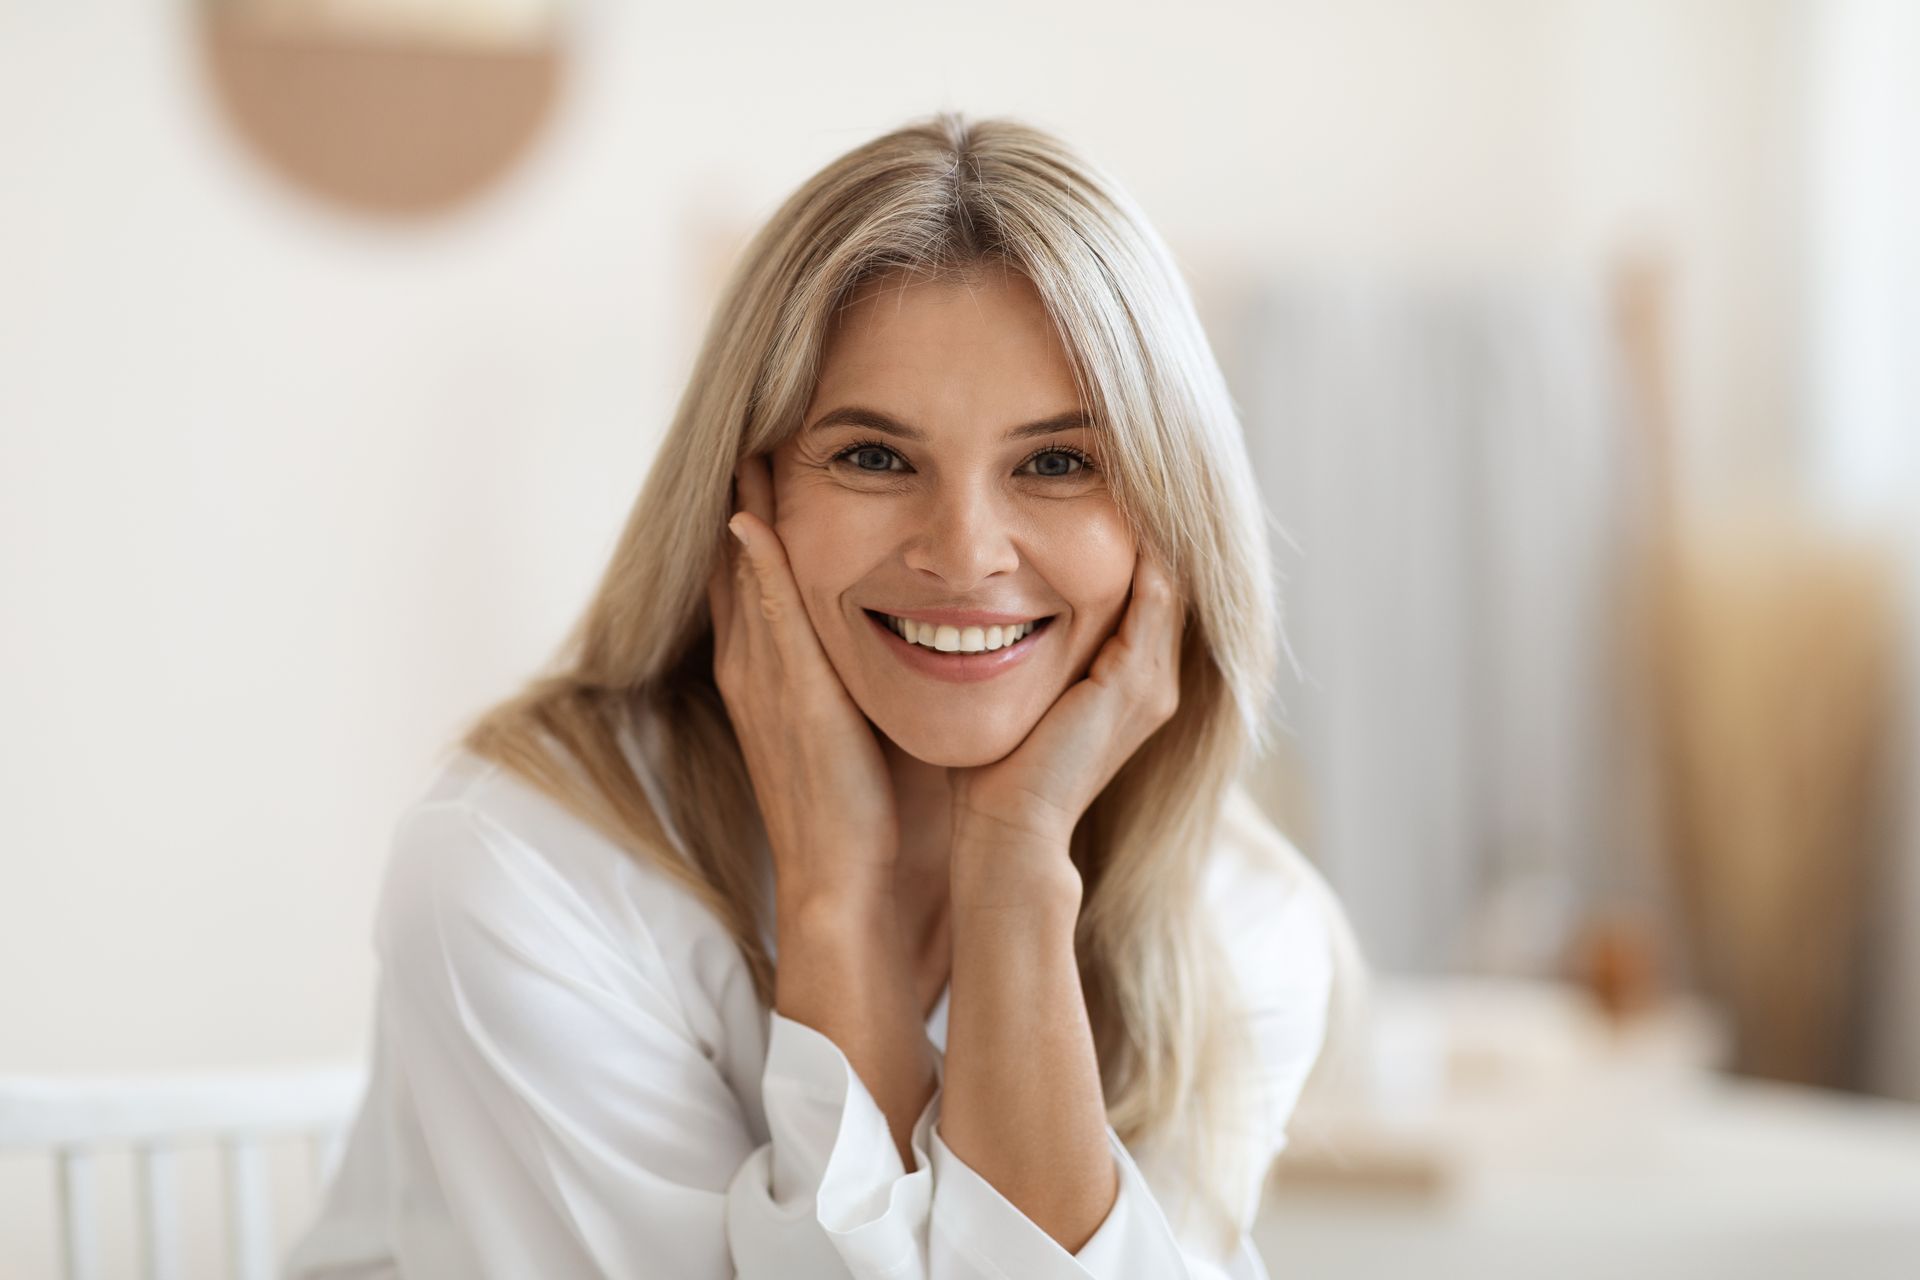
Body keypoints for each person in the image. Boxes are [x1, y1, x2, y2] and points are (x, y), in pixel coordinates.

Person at [284, 110, 1367, 1280]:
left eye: (1058, 462)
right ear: (746, 499)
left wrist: (1014, 871)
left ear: (1168, 519)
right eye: (873, 455)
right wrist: (833, 896)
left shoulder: (1235, 927)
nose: (964, 552)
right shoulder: (523, 874)